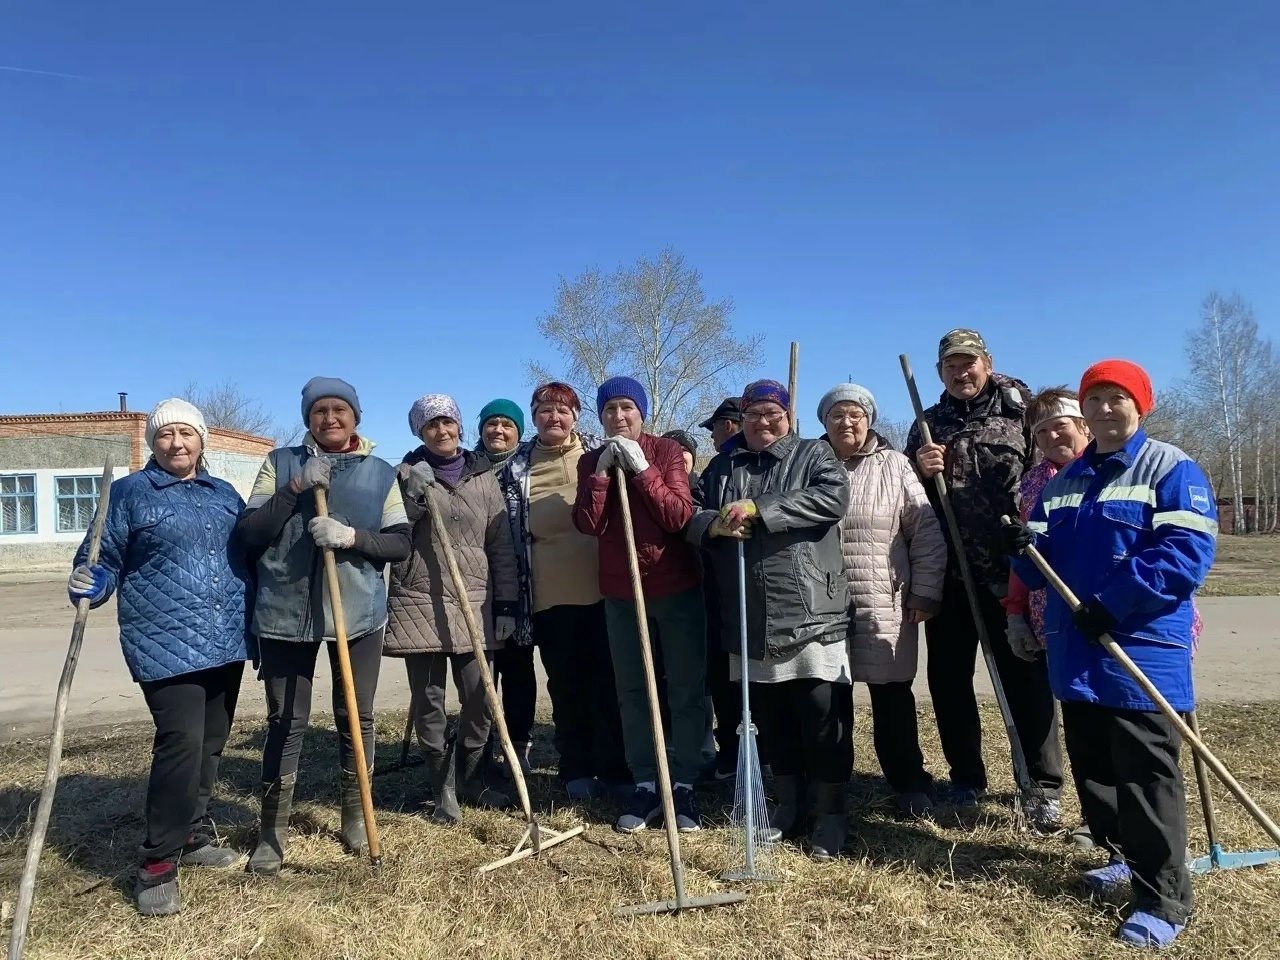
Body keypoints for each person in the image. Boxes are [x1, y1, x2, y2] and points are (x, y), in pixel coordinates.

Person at [1006, 360, 1216, 949]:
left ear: (1139, 405)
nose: (1102, 409)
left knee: (1147, 774)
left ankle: (1163, 899)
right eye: (1093, 399)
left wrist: (1116, 602)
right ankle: (1122, 857)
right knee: (1095, 766)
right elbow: (1039, 559)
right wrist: (1022, 549)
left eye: (1115, 398)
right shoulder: (1064, 480)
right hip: (1077, 651)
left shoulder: (1172, 469)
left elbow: (1186, 553)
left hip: (1140, 649)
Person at [66, 399, 253, 915]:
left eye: (186, 434)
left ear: (201, 441)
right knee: (181, 744)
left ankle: (191, 834)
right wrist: (91, 581)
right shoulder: (130, 494)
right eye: (166, 434)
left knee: (211, 742)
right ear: (152, 442)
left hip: (225, 638)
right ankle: (156, 863)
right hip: (164, 641)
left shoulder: (224, 494)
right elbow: (98, 557)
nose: (177, 443)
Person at [236, 377, 410, 875]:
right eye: (320, 411)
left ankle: (356, 817)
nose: (330, 418)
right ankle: (272, 833)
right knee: (286, 721)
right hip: (285, 613)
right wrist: (295, 488)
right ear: (307, 417)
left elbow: (400, 544)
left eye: (340, 410)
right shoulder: (278, 463)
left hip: (357, 613)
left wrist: (352, 536)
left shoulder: (380, 473)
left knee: (356, 716)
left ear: (356, 417)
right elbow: (250, 533)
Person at [904, 328, 1063, 826]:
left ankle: (1042, 786)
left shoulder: (1022, 411)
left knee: (1025, 678)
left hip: (1011, 575)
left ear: (987, 363)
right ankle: (966, 779)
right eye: (950, 365)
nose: (960, 371)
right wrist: (918, 465)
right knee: (949, 681)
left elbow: (1050, 478)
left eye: (968, 362)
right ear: (939, 373)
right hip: (951, 576)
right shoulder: (928, 424)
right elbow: (910, 499)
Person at [691, 380, 852, 861]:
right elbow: (692, 514)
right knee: (772, 719)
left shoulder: (814, 456)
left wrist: (760, 509)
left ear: (787, 414)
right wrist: (713, 523)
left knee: (822, 715)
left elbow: (832, 499)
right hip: (749, 614)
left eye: (773, 413)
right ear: (741, 418)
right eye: (755, 413)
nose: (764, 422)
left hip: (810, 611)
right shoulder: (722, 466)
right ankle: (789, 805)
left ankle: (831, 815)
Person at [573, 376, 706, 833]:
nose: (618, 416)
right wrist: (602, 476)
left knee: (686, 687)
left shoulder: (666, 452)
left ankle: (685, 782)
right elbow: (589, 524)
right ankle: (646, 781)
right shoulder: (592, 460)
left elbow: (678, 516)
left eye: (627, 407)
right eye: (609, 410)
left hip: (675, 587)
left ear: (642, 411)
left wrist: (642, 468)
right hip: (622, 591)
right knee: (632, 690)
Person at [384, 394, 518, 822]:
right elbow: (391, 531)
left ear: (460, 426)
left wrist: (507, 604)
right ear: (419, 433)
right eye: (431, 426)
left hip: (474, 601)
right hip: (418, 602)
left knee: (480, 698)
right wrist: (413, 497)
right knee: (429, 702)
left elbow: (500, 545)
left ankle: (472, 780)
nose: (442, 431)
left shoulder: (482, 476)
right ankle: (443, 792)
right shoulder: (403, 474)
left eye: (448, 423)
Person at [497, 382, 632, 800]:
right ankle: (575, 767)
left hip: (607, 590)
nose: (553, 418)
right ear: (534, 417)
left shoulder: (601, 453)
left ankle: (616, 768)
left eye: (562, 410)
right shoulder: (514, 469)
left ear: (576, 416)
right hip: (549, 596)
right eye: (544, 411)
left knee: (609, 684)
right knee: (567, 685)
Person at [818, 384, 946, 819]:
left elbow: (926, 531)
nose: (846, 422)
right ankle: (833, 784)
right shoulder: (808, 464)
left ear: (869, 420)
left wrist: (926, 590)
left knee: (892, 696)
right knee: (830, 699)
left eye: (855, 414)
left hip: (882, 599)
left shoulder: (894, 466)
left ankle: (908, 782)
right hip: (819, 601)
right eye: (837, 415)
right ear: (824, 423)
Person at [474, 397, 535, 777]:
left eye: (507, 424)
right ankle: (477, 746)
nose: (498, 430)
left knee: (517, 666)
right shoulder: (466, 467)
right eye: (491, 424)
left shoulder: (532, 462)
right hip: (479, 583)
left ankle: (518, 744)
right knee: (481, 671)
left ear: (518, 430)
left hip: (525, 579)